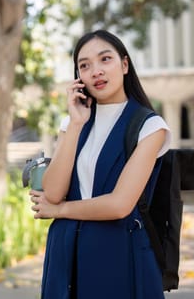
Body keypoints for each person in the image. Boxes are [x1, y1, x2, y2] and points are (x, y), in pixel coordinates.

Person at [29, 30, 171, 298]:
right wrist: (75, 124)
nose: (96, 71)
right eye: (85, 65)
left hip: (117, 253)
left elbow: (119, 205)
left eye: (105, 59)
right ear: (78, 77)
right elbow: (53, 192)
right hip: (65, 253)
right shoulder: (72, 123)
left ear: (124, 65)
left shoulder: (149, 127)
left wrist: (59, 210)